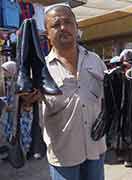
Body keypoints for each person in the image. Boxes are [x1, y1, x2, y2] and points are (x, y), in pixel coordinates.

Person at [21, 3, 107, 180]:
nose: (63, 28)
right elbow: (26, 108)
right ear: (47, 34)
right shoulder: (39, 69)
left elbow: (106, 98)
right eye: (55, 25)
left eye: (68, 22)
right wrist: (27, 103)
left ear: (76, 28)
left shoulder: (95, 60)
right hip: (63, 152)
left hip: (95, 147)